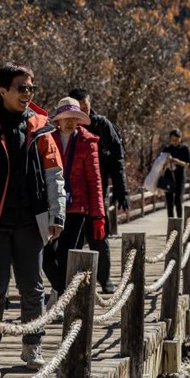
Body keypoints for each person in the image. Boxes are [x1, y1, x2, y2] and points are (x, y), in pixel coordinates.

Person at [0, 62, 66, 374]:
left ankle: (33, 347)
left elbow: (54, 176)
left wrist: (57, 215)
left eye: (31, 88)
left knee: (33, 289)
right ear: (2, 91)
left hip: (32, 222)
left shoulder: (42, 126)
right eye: (21, 88)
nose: (28, 94)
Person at [42, 97, 106, 317]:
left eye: (75, 118)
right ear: (58, 120)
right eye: (66, 118)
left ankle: (61, 300)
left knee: (69, 255)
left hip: (76, 207)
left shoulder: (88, 142)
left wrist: (98, 216)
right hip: (50, 204)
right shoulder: (45, 139)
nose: (70, 122)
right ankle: (59, 291)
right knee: (45, 252)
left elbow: (95, 180)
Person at [68, 88, 128, 294]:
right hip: (72, 191)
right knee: (72, 237)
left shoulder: (103, 126)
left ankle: (105, 279)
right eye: (78, 107)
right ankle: (70, 282)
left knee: (98, 234)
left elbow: (117, 161)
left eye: (85, 105)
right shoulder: (66, 124)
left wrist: (122, 191)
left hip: (97, 188)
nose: (83, 110)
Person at [161, 128, 190, 218]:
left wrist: (177, 162)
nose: (175, 141)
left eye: (177, 139)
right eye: (173, 139)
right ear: (170, 139)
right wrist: (166, 161)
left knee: (178, 200)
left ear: (180, 139)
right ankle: (171, 223)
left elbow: (188, 165)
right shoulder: (166, 149)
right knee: (169, 202)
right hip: (168, 177)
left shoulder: (184, 149)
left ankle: (179, 222)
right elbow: (160, 166)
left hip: (180, 177)